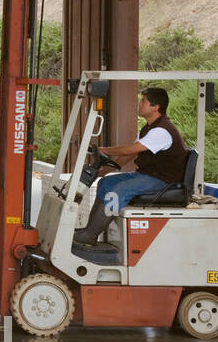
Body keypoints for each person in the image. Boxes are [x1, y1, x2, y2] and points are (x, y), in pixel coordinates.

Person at [72, 86, 189, 247]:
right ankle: (90, 230)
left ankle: (90, 235)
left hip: (163, 180)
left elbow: (130, 149)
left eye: (143, 101)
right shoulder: (149, 128)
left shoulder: (162, 131)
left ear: (156, 107)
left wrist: (103, 149)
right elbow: (130, 155)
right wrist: (104, 172)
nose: (139, 104)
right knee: (105, 183)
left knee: (119, 191)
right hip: (149, 175)